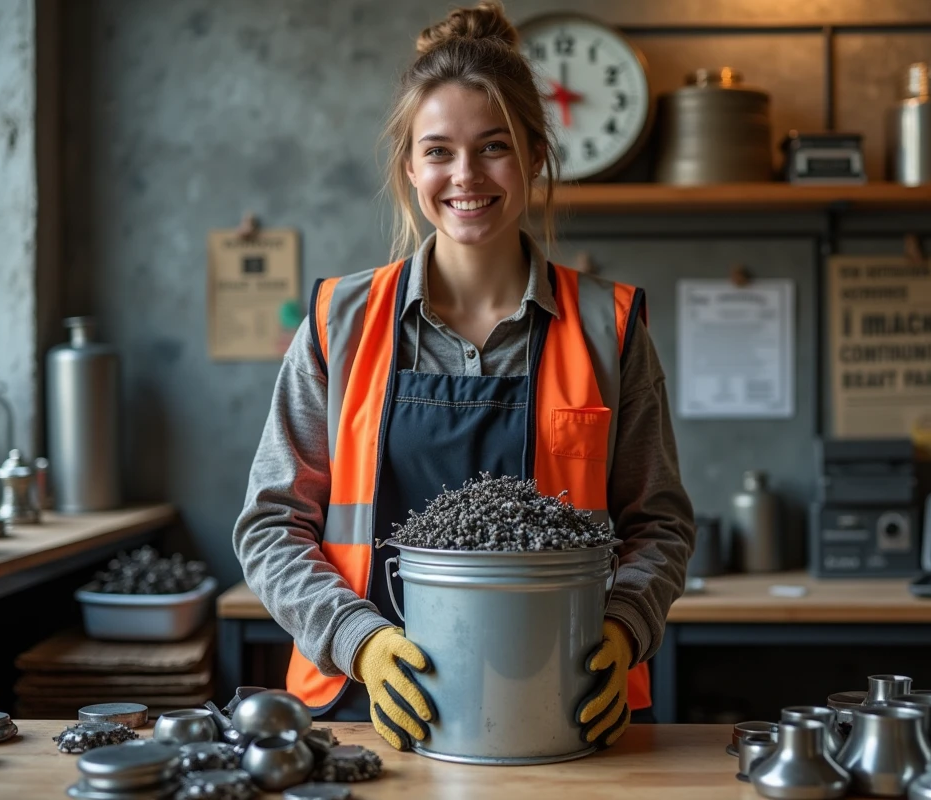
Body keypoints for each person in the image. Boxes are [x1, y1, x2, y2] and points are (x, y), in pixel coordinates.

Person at [232, 0, 695, 752]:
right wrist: (362, 641)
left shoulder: (609, 329)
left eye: (494, 147)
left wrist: (622, 629)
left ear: (537, 154)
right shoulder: (337, 323)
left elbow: (660, 525)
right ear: (409, 165)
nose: (465, 176)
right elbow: (270, 524)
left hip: (558, 706)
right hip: (360, 713)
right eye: (439, 151)